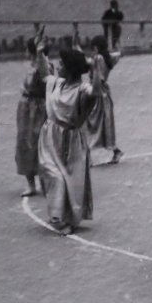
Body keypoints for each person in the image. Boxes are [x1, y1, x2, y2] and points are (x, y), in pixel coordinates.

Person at [36, 45, 103, 234]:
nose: (57, 66)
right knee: (55, 176)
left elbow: (96, 93)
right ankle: (57, 218)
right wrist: (40, 52)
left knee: (72, 181)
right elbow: (43, 74)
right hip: (50, 137)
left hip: (73, 139)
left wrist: (96, 69)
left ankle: (69, 218)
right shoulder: (56, 83)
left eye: (61, 64)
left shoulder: (83, 89)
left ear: (71, 68)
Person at [16, 31, 51, 196]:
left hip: (38, 108)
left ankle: (45, 181)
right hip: (26, 108)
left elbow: (46, 74)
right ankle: (31, 184)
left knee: (39, 143)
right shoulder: (32, 66)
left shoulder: (44, 65)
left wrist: (39, 52)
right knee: (24, 143)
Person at [86, 35, 124, 164]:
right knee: (104, 123)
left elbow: (97, 75)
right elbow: (119, 54)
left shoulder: (98, 58)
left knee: (90, 123)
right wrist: (119, 44)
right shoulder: (108, 57)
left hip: (96, 92)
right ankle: (114, 150)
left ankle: (88, 154)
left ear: (96, 48)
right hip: (105, 92)